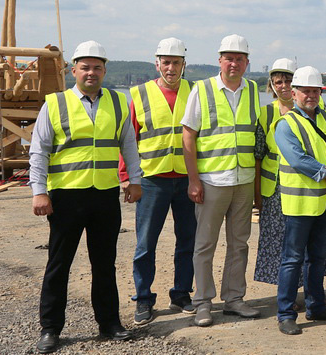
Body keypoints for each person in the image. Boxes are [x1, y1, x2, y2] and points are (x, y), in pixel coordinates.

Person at [30, 41, 142, 354]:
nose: (91, 72)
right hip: (66, 197)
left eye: (97, 67)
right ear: (73, 70)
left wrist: (134, 180)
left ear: (105, 70)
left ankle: (109, 323)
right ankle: (50, 329)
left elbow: (129, 145)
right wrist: (39, 191)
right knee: (59, 264)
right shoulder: (55, 103)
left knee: (104, 264)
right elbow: (39, 150)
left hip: (105, 195)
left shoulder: (119, 103)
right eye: (85, 67)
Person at [181, 34, 262, 327]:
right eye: (229, 58)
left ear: (247, 63)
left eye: (240, 59)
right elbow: (188, 135)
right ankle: (203, 302)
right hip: (213, 180)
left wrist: (256, 189)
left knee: (239, 243)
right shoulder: (201, 90)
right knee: (205, 244)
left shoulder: (253, 89)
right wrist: (194, 180)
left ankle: (234, 299)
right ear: (220, 61)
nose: (234, 63)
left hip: (243, 180)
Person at [122, 38, 197, 326]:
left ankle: (181, 293)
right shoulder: (139, 94)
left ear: (183, 65)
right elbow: (129, 140)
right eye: (165, 62)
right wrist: (128, 178)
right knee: (145, 244)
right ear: (157, 63)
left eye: (176, 62)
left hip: (187, 179)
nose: (171, 67)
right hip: (152, 180)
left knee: (187, 241)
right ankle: (143, 299)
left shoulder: (195, 92)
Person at [274, 66, 326, 335]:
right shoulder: (286, 125)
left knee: (317, 257)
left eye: (315, 91)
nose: (311, 96)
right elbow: (296, 158)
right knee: (292, 259)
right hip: (299, 204)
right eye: (305, 91)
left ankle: (316, 306)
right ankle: (285, 314)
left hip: (325, 201)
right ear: (294, 93)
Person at [254, 59, 326, 298]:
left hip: (310, 188)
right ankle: (288, 297)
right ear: (271, 85)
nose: (284, 86)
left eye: (288, 80)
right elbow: (258, 155)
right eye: (278, 82)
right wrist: (257, 195)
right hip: (277, 191)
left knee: (311, 246)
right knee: (284, 246)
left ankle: (310, 294)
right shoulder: (266, 114)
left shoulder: (320, 113)